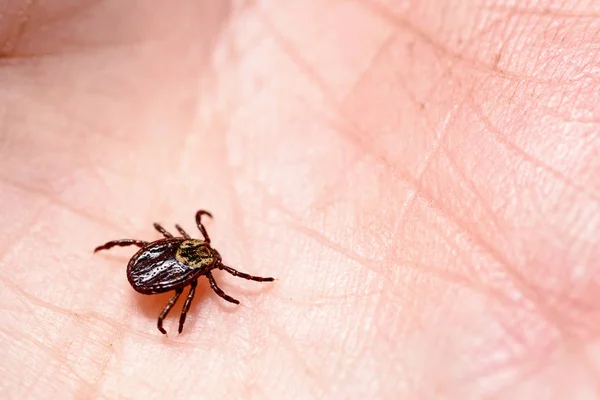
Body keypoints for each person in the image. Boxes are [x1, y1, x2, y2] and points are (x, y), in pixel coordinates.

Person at [1, 1, 597, 399]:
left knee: (143, 245)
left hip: (143, 273)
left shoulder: (181, 256)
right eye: (205, 256)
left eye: (204, 264)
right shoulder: (190, 267)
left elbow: (158, 249)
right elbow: (187, 268)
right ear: (191, 249)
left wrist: (184, 293)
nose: (208, 262)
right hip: (146, 274)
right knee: (148, 249)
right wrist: (182, 304)